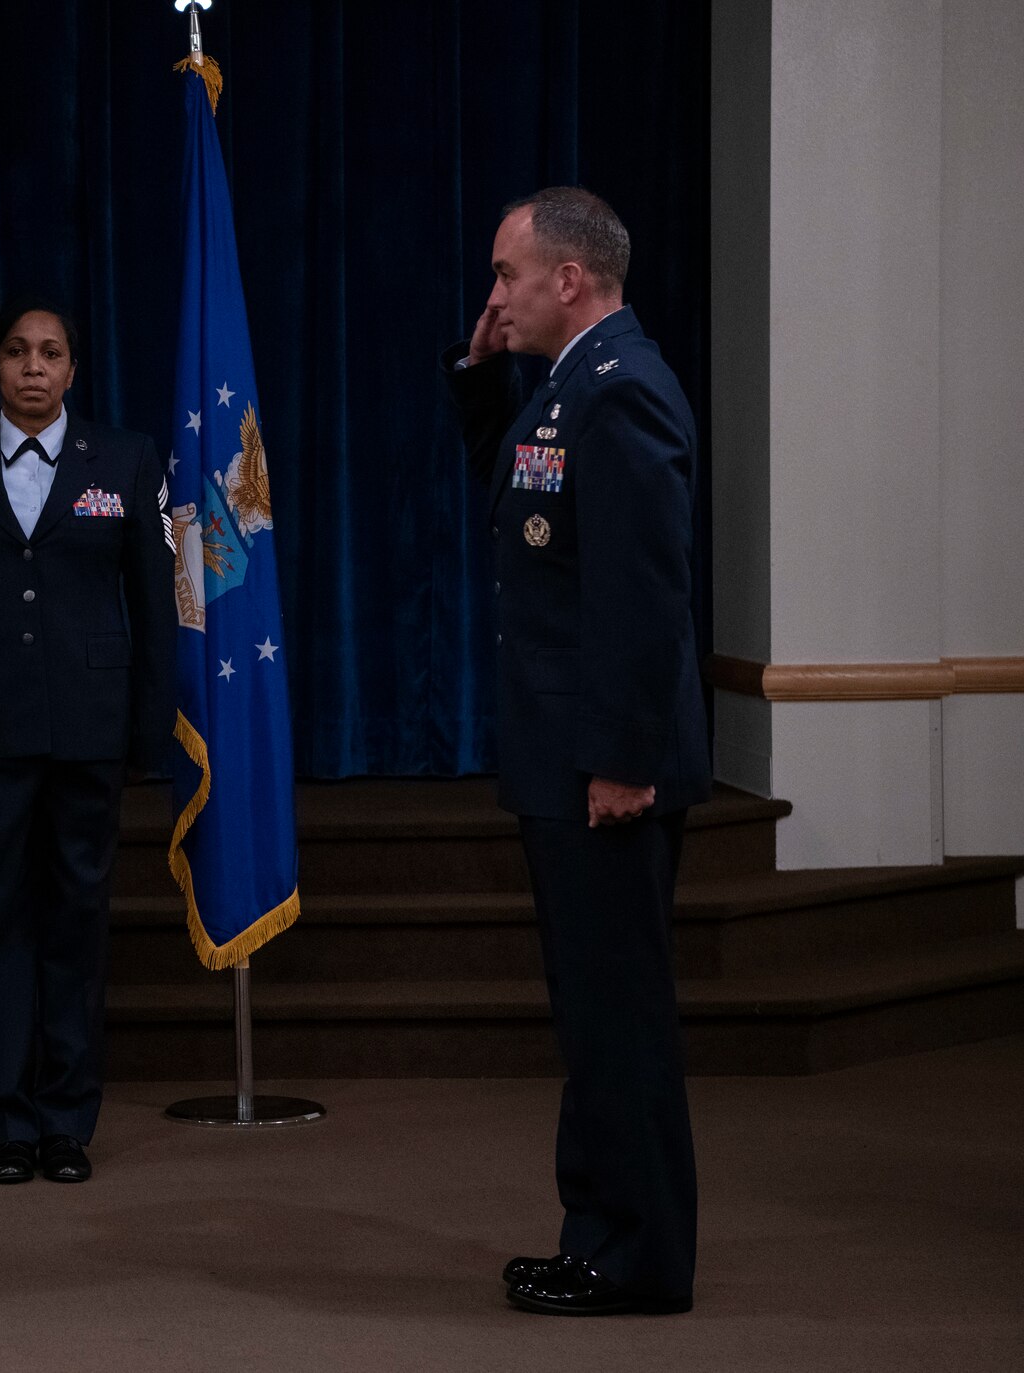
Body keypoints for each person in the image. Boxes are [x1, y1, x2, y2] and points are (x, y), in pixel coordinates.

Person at [444, 187, 709, 1316]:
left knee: (618, 1013)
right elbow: (523, 509)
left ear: (567, 279)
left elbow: (641, 602)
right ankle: (595, 1230)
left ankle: (638, 1255)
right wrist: (479, 383)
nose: (492, 295)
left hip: (604, 767)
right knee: (589, 1010)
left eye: (506, 275)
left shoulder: (622, 392)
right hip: (569, 753)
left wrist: (618, 758)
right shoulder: (568, 388)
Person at [0, 299, 175, 1185]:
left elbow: (157, 607)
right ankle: (8, 1121)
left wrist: (151, 729)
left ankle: (65, 1120)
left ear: (73, 369)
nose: (33, 367)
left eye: (51, 352)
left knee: (76, 925)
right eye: (16, 351)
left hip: (90, 731)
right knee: (0, 921)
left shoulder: (124, 459)